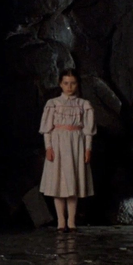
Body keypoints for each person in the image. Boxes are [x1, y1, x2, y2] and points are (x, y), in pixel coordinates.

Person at [39, 70, 96, 232]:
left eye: (72, 83)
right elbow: (47, 129)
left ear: (77, 84)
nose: (69, 87)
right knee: (58, 182)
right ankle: (61, 220)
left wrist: (87, 148)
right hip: (58, 144)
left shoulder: (83, 104)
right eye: (66, 83)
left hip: (76, 144)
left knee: (73, 182)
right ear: (60, 84)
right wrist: (48, 147)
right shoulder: (53, 103)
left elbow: (88, 130)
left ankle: (71, 220)